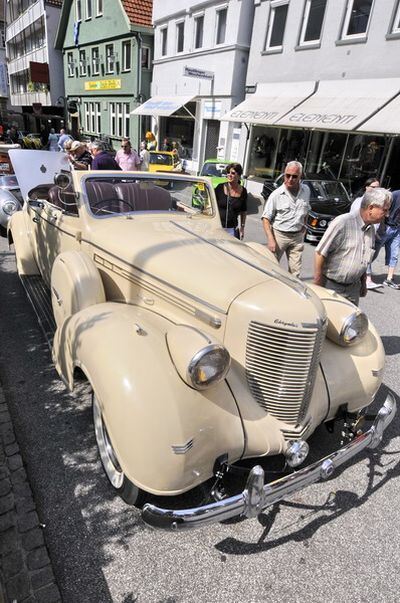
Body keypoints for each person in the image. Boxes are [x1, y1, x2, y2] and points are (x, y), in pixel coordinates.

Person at [314, 187, 392, 305]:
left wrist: (363, 282)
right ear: (371, 208)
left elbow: (364, 259)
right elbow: (320, 253)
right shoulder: (343, 222)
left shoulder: (370, 229)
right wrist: (318, 285)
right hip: (332, 287)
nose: (387, 215)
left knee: (351, 322)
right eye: (384, 210)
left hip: (353, 289)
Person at [262, 160, 310, 278]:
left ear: (300, 176)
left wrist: (304, 226)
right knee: (271, 268)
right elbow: (265, 218)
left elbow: (307, 209)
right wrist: (270, 239)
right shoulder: (276, 195)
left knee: (295, 273)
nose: (290, 179)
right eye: (287, 175)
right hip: (279, 236)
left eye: (294, 177)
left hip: (297, 237)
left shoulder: (306, 191)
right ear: (284, 174)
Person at [350, 177, 382, 289]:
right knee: (364, 255)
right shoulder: (359, 201)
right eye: (373, 187)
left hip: (372, 235)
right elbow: (352, 217)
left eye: (378, 188)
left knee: (368, 256)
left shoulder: (377, 204)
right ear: (366, 187)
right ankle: (367, 279)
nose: (375, 190)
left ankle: (360, 277)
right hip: (359, 233)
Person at [372, 189, 400, 289]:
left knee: (394, 254)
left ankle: (389, 279)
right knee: (373, 252)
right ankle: (362, 274)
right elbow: (383, 210)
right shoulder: (395, 195)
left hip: (397, 228)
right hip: (386, 227)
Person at [214, 163, 247, 239]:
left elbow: (243, 211)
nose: (229, 175)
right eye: (228, 172)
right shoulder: (220, 187)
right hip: (217, 227)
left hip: (232, 229)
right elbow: (211, 204)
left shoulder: (243, 191)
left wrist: (242, 228)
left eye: (233, 173)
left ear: (238, 176)